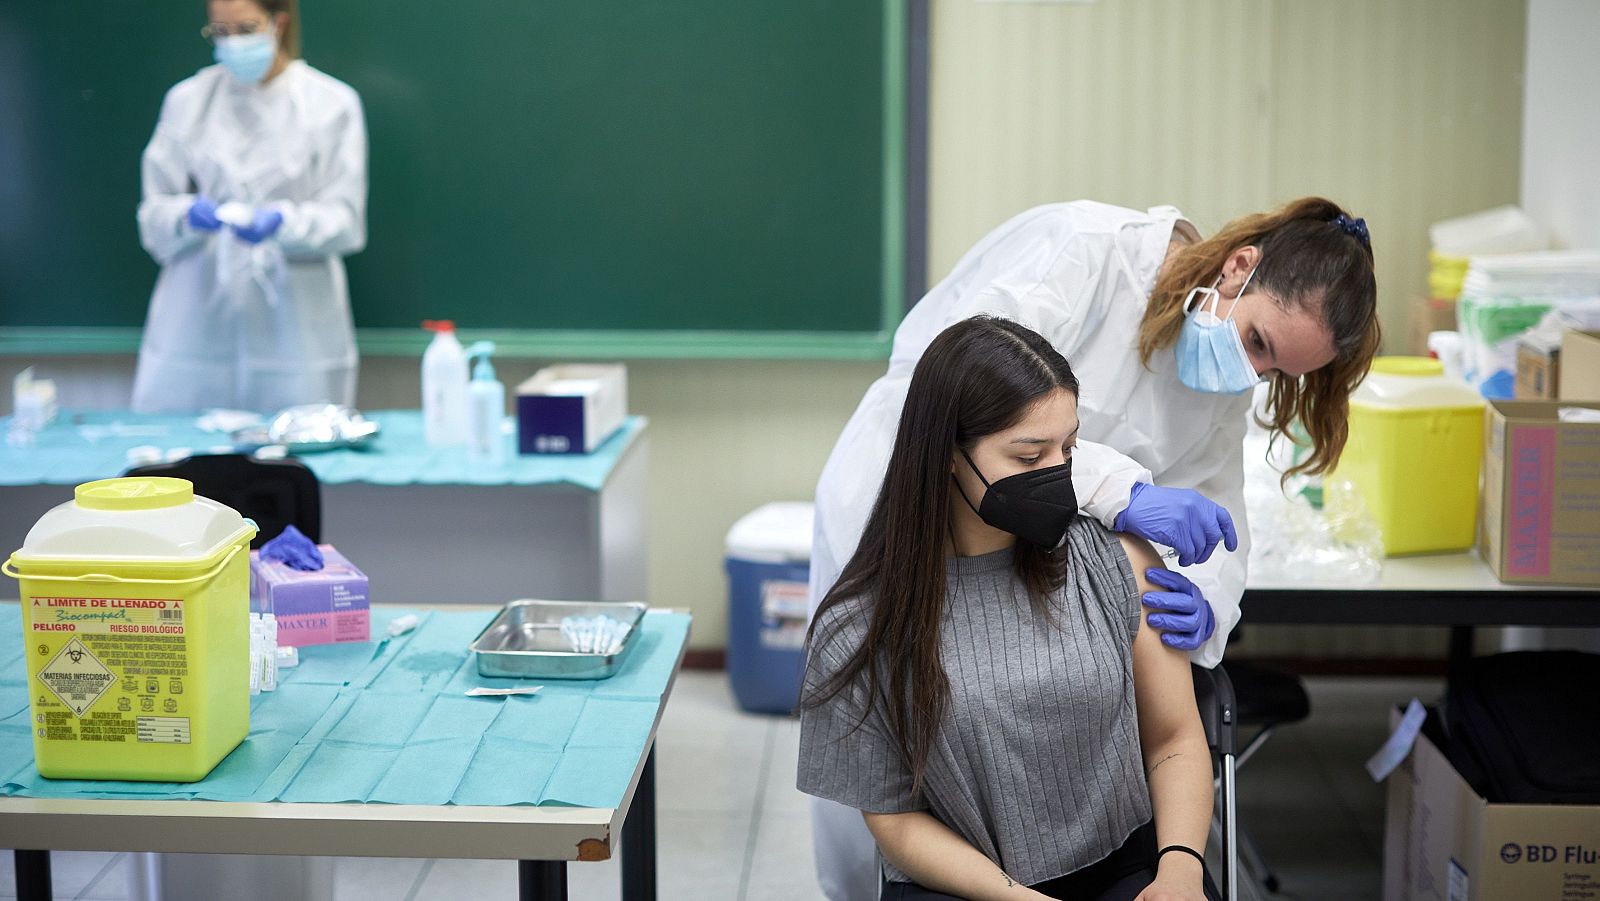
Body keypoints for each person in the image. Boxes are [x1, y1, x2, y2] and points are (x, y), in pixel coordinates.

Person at [809, 198, 1378, 899]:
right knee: (886, 782)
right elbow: (964, 408)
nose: (1254, 375)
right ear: (1238, 268)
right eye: (1258, 343)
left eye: (1277, 373)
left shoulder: (1221, 386)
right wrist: (1124, 491)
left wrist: (1211, 606)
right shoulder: (1086, 254)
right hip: (916, 519)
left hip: (1042, 554)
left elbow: (1219, 510)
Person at [800, 316, 1221, 901]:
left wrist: (1179, 870)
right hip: (964, 887)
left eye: (1069, 448)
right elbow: (895, 822)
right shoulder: (861, 627)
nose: (1056, 472)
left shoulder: (1116, 560)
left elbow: (1174, 737)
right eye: (1028, 457)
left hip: (1132, 871)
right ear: (947, 454)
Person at [132, 0, 367, 414]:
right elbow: (154, 216)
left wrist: (285, 223)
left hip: (297, 331)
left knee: (292, 457)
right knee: (185, 463)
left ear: (278, 23)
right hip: (196, 323)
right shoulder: (188, 101)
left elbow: (346, 221)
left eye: (245, 29)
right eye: (219, 33)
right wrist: (186, 216)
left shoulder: (330, 104)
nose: (232, 44)